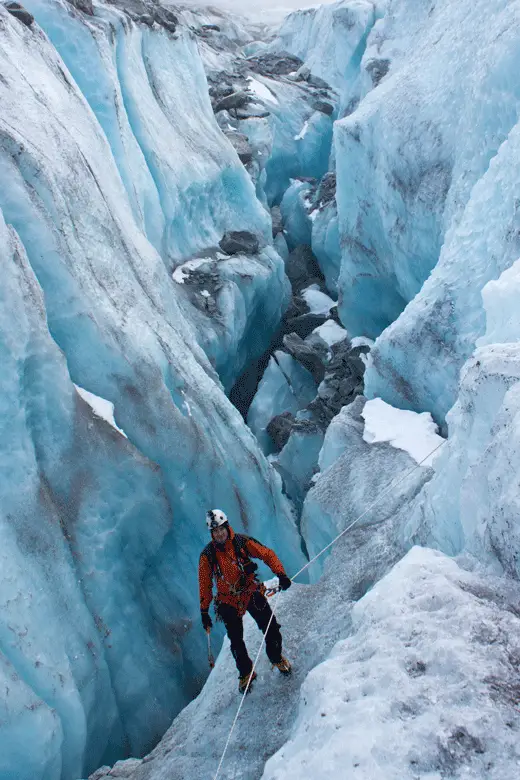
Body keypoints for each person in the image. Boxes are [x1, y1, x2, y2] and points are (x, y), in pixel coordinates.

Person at [199, 508, 292, 693]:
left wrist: (280, 573)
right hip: (228, 601)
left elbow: (266, 554)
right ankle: (246, 673)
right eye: (215, 531)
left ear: (227, 526)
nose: (219, 534)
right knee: (236, 641)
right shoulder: (208, 556)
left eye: (221, 529)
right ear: (211, 533)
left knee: (271, 626)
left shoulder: (241, 542)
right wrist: (204, 610)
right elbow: (205, 584)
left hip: (249, 592)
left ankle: (276, 657)